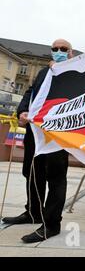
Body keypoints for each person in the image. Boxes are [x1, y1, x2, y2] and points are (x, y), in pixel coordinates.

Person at [2, 39, 73, 243]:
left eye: (63, 49)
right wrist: (22, 110)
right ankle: (33, 212)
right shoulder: (43, 72)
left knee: (56, 178)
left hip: (56, 134)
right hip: (35, 131)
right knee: (32, 172)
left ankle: (51, 224)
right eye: (55, 49)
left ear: (70, 53)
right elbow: (30, 92)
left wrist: (62, 70)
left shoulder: (75, 72)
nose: (58, 51)